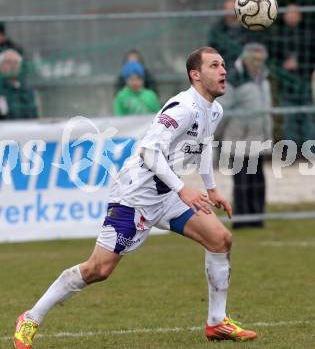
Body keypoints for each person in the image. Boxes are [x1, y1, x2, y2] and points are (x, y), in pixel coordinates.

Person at [14, 47, 257, 348]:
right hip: (135, 195)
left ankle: (217, 323)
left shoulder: (214, 110)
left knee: (220, 240)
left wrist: (211, 189)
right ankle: (30, 318)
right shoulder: (182, 107)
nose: (223, 71)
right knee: (98, 269)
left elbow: (203, 145)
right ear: (195, 74)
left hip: (167, 194)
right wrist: (183, 188)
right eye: (214, 66)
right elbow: (149, 152)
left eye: (223, 65)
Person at [218, 43, 272, 229]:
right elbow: (223, 110)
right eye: (254, 59)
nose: (258, 63)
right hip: (238, 140)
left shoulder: (263, 79)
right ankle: (242, 219)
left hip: (258, 139)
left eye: (261, 59)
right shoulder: (234, 79)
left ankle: (257, 218)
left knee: (258, 181)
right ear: (246, 58)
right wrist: (216, 135)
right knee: (242, 182)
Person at [274, 4, 315, 148]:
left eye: (294, 13)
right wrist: (283, 66)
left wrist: (300, 63)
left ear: (300, 15)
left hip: (304, 83)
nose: (291, 16)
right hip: (286, 85)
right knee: (289, 120)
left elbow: (311, 58)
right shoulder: (278, 36)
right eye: (288, 13)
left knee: (307, 119)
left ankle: (310, 152)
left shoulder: (308, 35)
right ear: (284, 16)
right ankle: (292, 154)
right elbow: (273, 61)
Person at [207, 0, 250, 71]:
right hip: (224, 66)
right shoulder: (217, 29)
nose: (230, 14)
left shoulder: (246, 27)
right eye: (228, 10)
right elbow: (212, 49)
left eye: (232, 10)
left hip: (245, 66)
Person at [0, 49, 37, 119]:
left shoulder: (27, 90)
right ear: (1, 66)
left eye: (16, 62)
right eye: (8, 62)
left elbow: (34, 115)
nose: (12, 65)